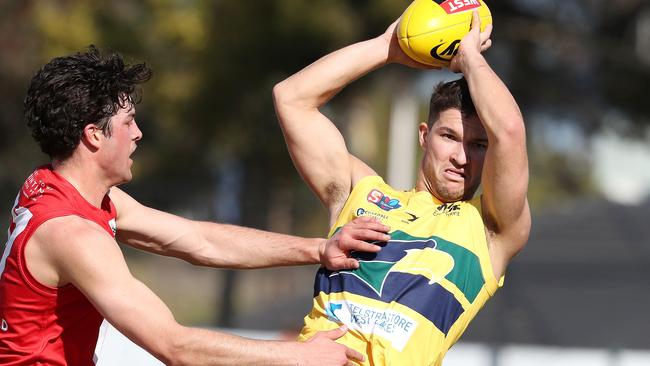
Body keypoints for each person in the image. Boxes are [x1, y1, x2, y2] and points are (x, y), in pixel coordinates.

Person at [0, 46, 394, 366]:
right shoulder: (72, 233)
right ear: (92, 136)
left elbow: (197, 240)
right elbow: (175, 346)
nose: (138, 134)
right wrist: (300, 356)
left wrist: (317, 249)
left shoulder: (57, 187)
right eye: (128, 122)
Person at [273, 10, 531, 366]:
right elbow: (292, 98)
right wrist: (387, 47)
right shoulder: (359, 193)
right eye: (449, 137)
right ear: (425, 136)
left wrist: (470, 58)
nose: (461, 157)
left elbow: (510, 131)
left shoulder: (491, 229)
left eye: (478, 145)